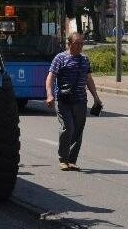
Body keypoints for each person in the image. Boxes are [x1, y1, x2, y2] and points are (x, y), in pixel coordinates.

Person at [45, 32, 102, 171]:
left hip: (80, 100)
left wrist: (96, 98)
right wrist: (49, 95)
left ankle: (72, 160)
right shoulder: (60, 58)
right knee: (67, 127)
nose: (80, 46)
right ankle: (63, 159)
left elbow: (89, 79)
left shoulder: (85, 60)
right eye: (77, 43)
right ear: (69, 44)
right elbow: (50, 77)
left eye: (82, 43)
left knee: (78, 130)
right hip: (63, 100)